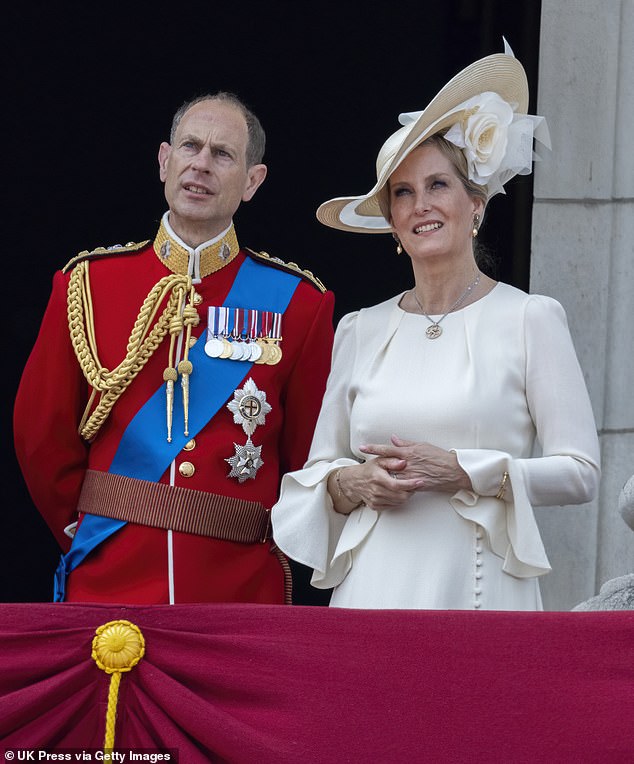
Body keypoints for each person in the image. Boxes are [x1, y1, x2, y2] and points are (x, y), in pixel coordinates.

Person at [271, 46, 601, 610]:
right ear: (393, 224)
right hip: (371, 591)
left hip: (481, 591)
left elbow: (580, 474)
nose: (421, 204)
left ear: (476, 204)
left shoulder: (530, 318)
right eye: (403, 193)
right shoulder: (359, 328)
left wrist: (463, 469)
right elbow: (322, 467)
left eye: (438, 185)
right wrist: (352, 483)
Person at [14, 92, 335, 605]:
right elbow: (41, 434)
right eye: (190, 147)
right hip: (109, 575)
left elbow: (305, 455)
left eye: (223, 154)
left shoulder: (300, 304)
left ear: (253, 181)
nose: (201, 165)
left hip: (238, 588)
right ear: (165, 160)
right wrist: (88, 528)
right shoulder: (88, 284)